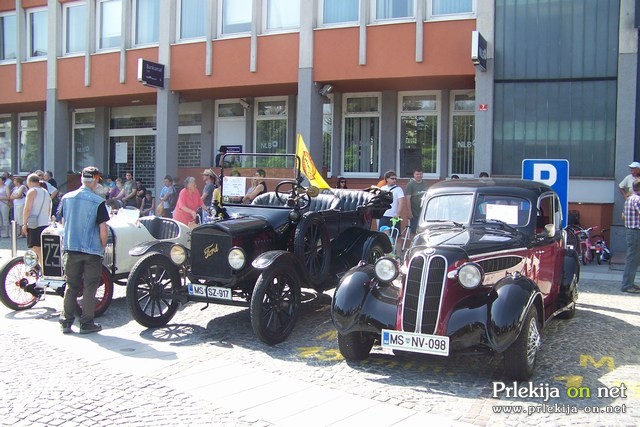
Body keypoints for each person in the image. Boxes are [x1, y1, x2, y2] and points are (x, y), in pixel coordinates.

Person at [58, 166, 110, 334]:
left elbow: (63, 223)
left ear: (82, 178)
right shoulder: (98, 201)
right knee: (90, 287)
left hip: (71, 248)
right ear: (95, 180)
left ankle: (66, 322)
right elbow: (103, 230)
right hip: (91, 250)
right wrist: (102, 246)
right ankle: (86, 323)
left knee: (71, 285)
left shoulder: (67, 198)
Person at [22, 173, 52, 267]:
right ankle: (43, 267)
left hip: (35, 223)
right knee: (42, 248)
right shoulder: (45, 191)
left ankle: (43, 269)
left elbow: (27, 208)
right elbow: (49, 208)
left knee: (36, 248)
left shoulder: (32, 191)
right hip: (45, 223)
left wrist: (24, 223)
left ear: (30, 182)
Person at [405, 167, 428, 235]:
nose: (419, 176)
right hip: (415, 213)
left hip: (424, 212)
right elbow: (408, 199)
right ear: (414, 175)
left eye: (420, 174)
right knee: (414, 231)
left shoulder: (425, 183)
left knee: (424, 231)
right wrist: (409, 212)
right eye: (417, 174)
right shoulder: (410, 184)